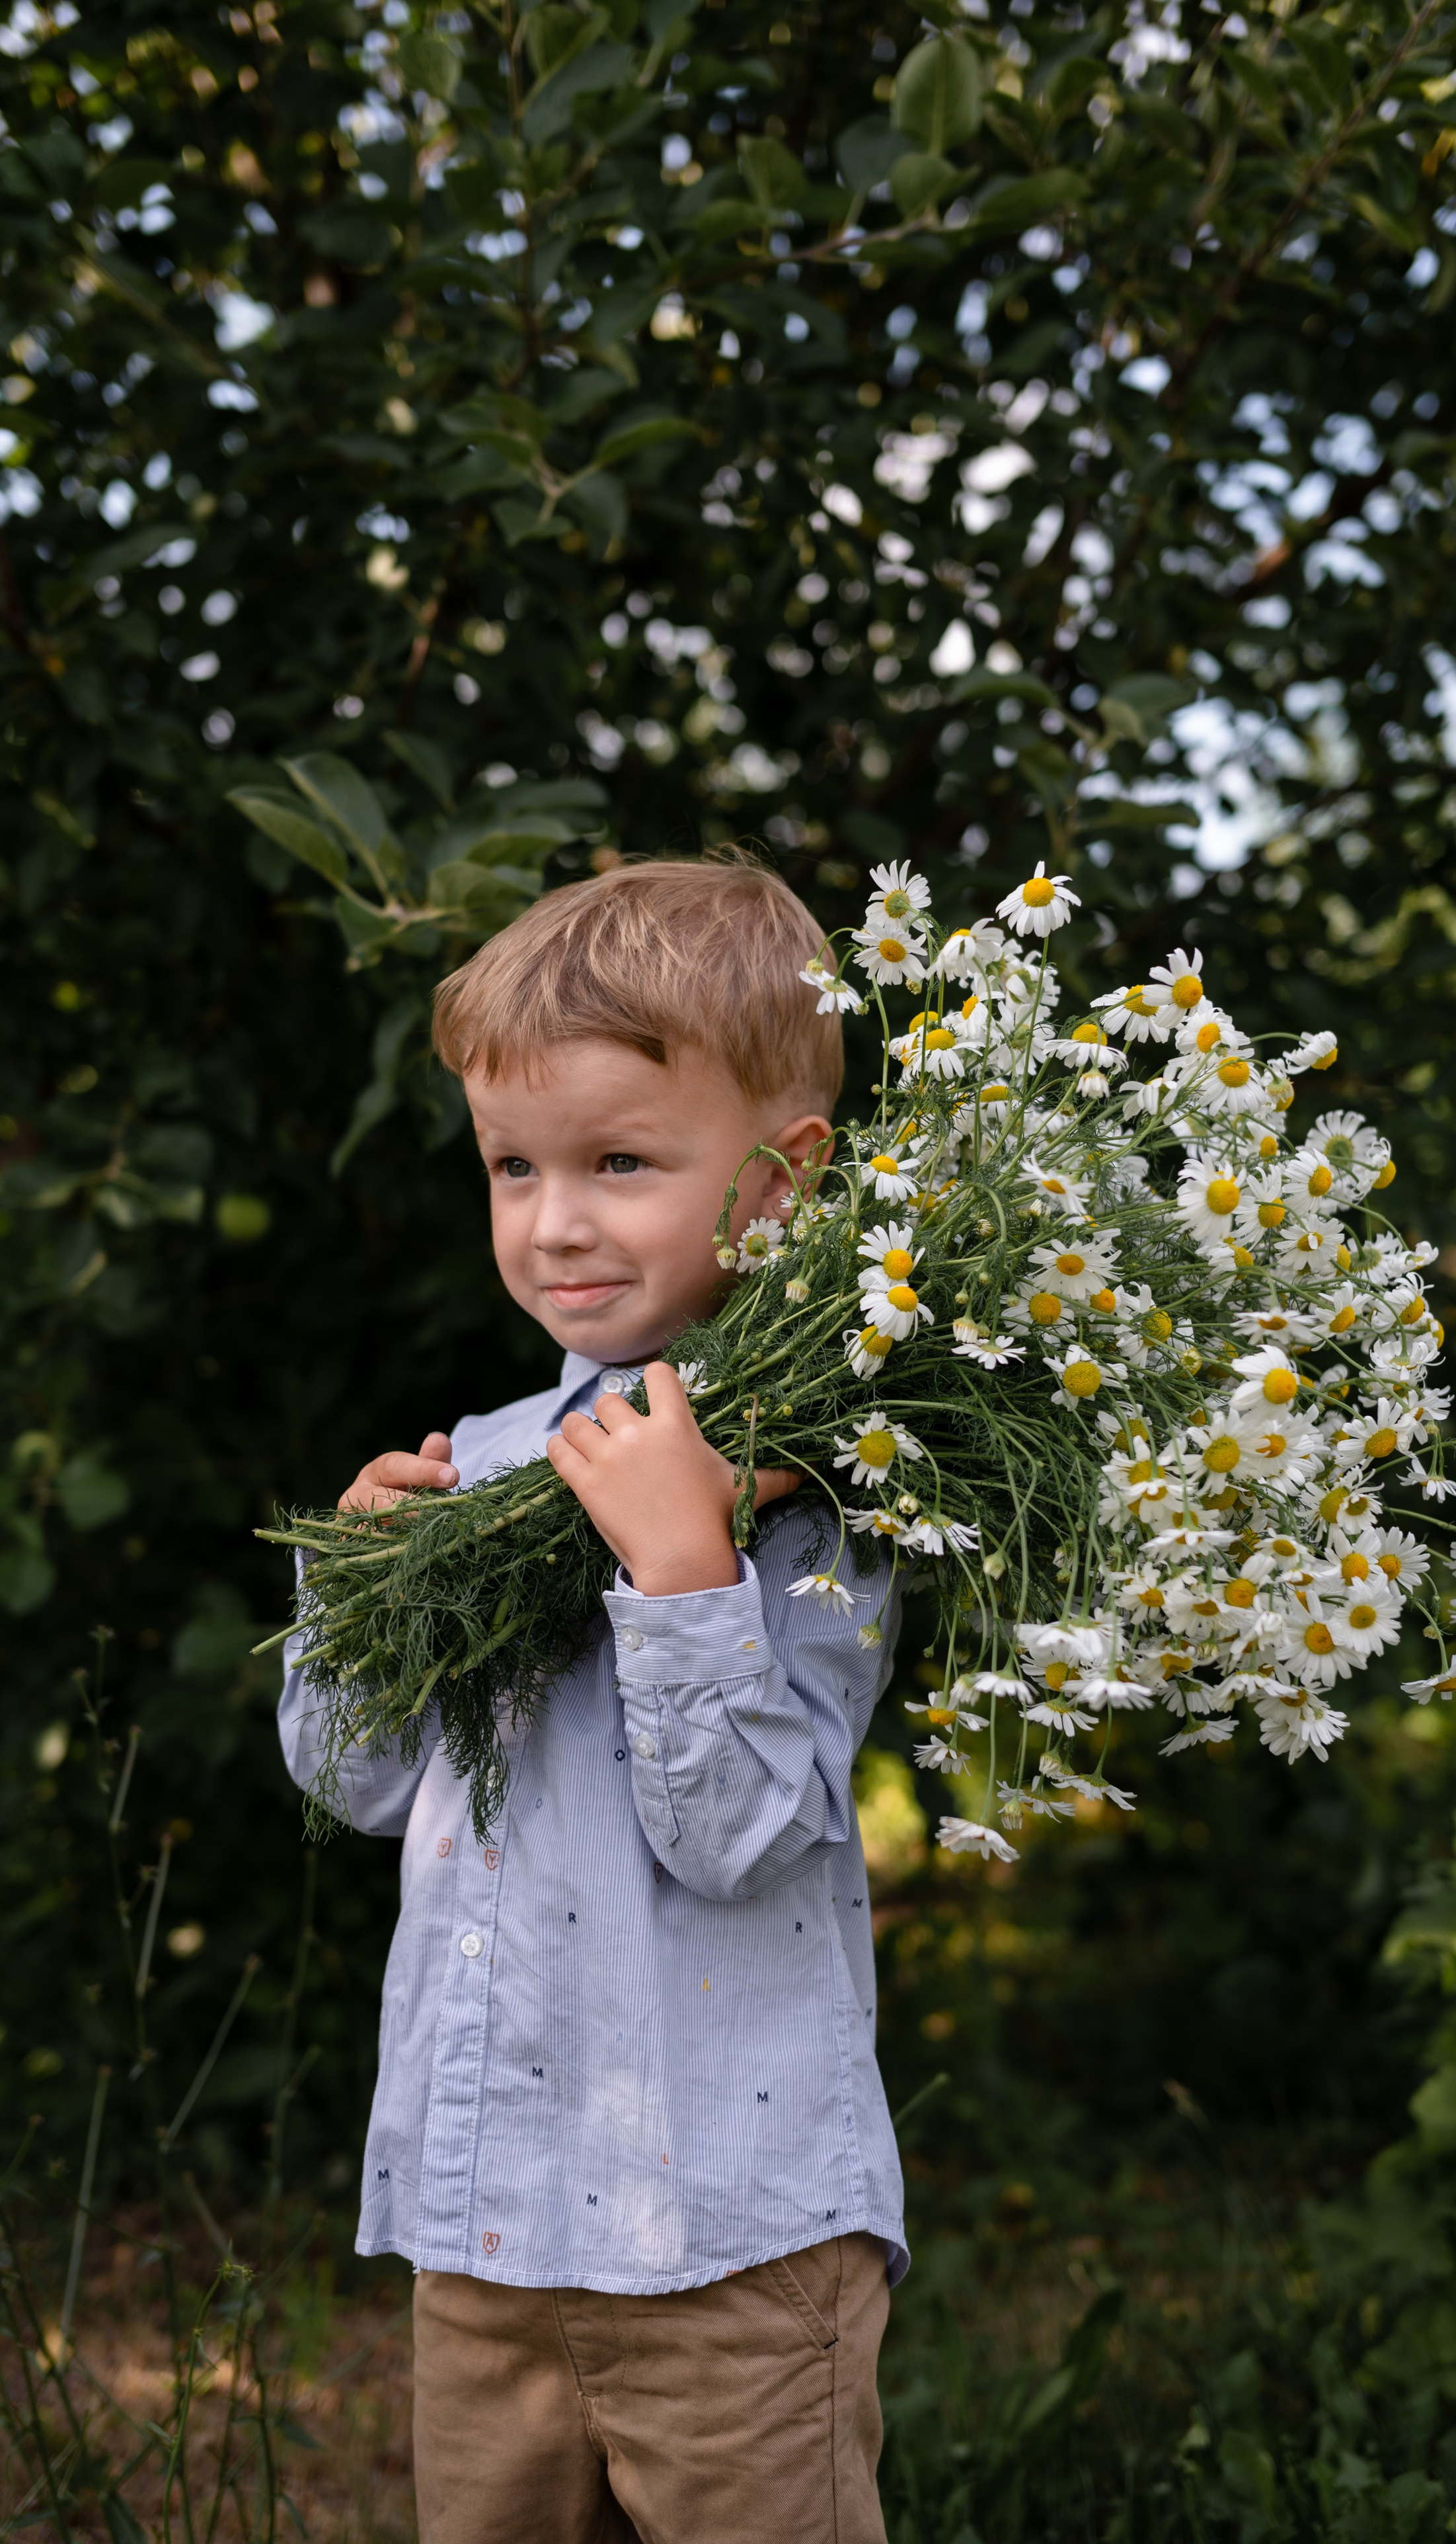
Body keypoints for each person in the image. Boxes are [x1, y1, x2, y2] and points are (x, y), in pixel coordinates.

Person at [277, 854, 906, 2544]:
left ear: (783, 1177)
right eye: (512, 1166)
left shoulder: (819, 1488)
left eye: (620, 1163)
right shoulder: (482, 1463)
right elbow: (350, 1780)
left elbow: (746, 1836)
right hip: (486, 2228)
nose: (554, 1221)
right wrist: (356, 1595)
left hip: (730, 2245)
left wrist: (683, 1573)